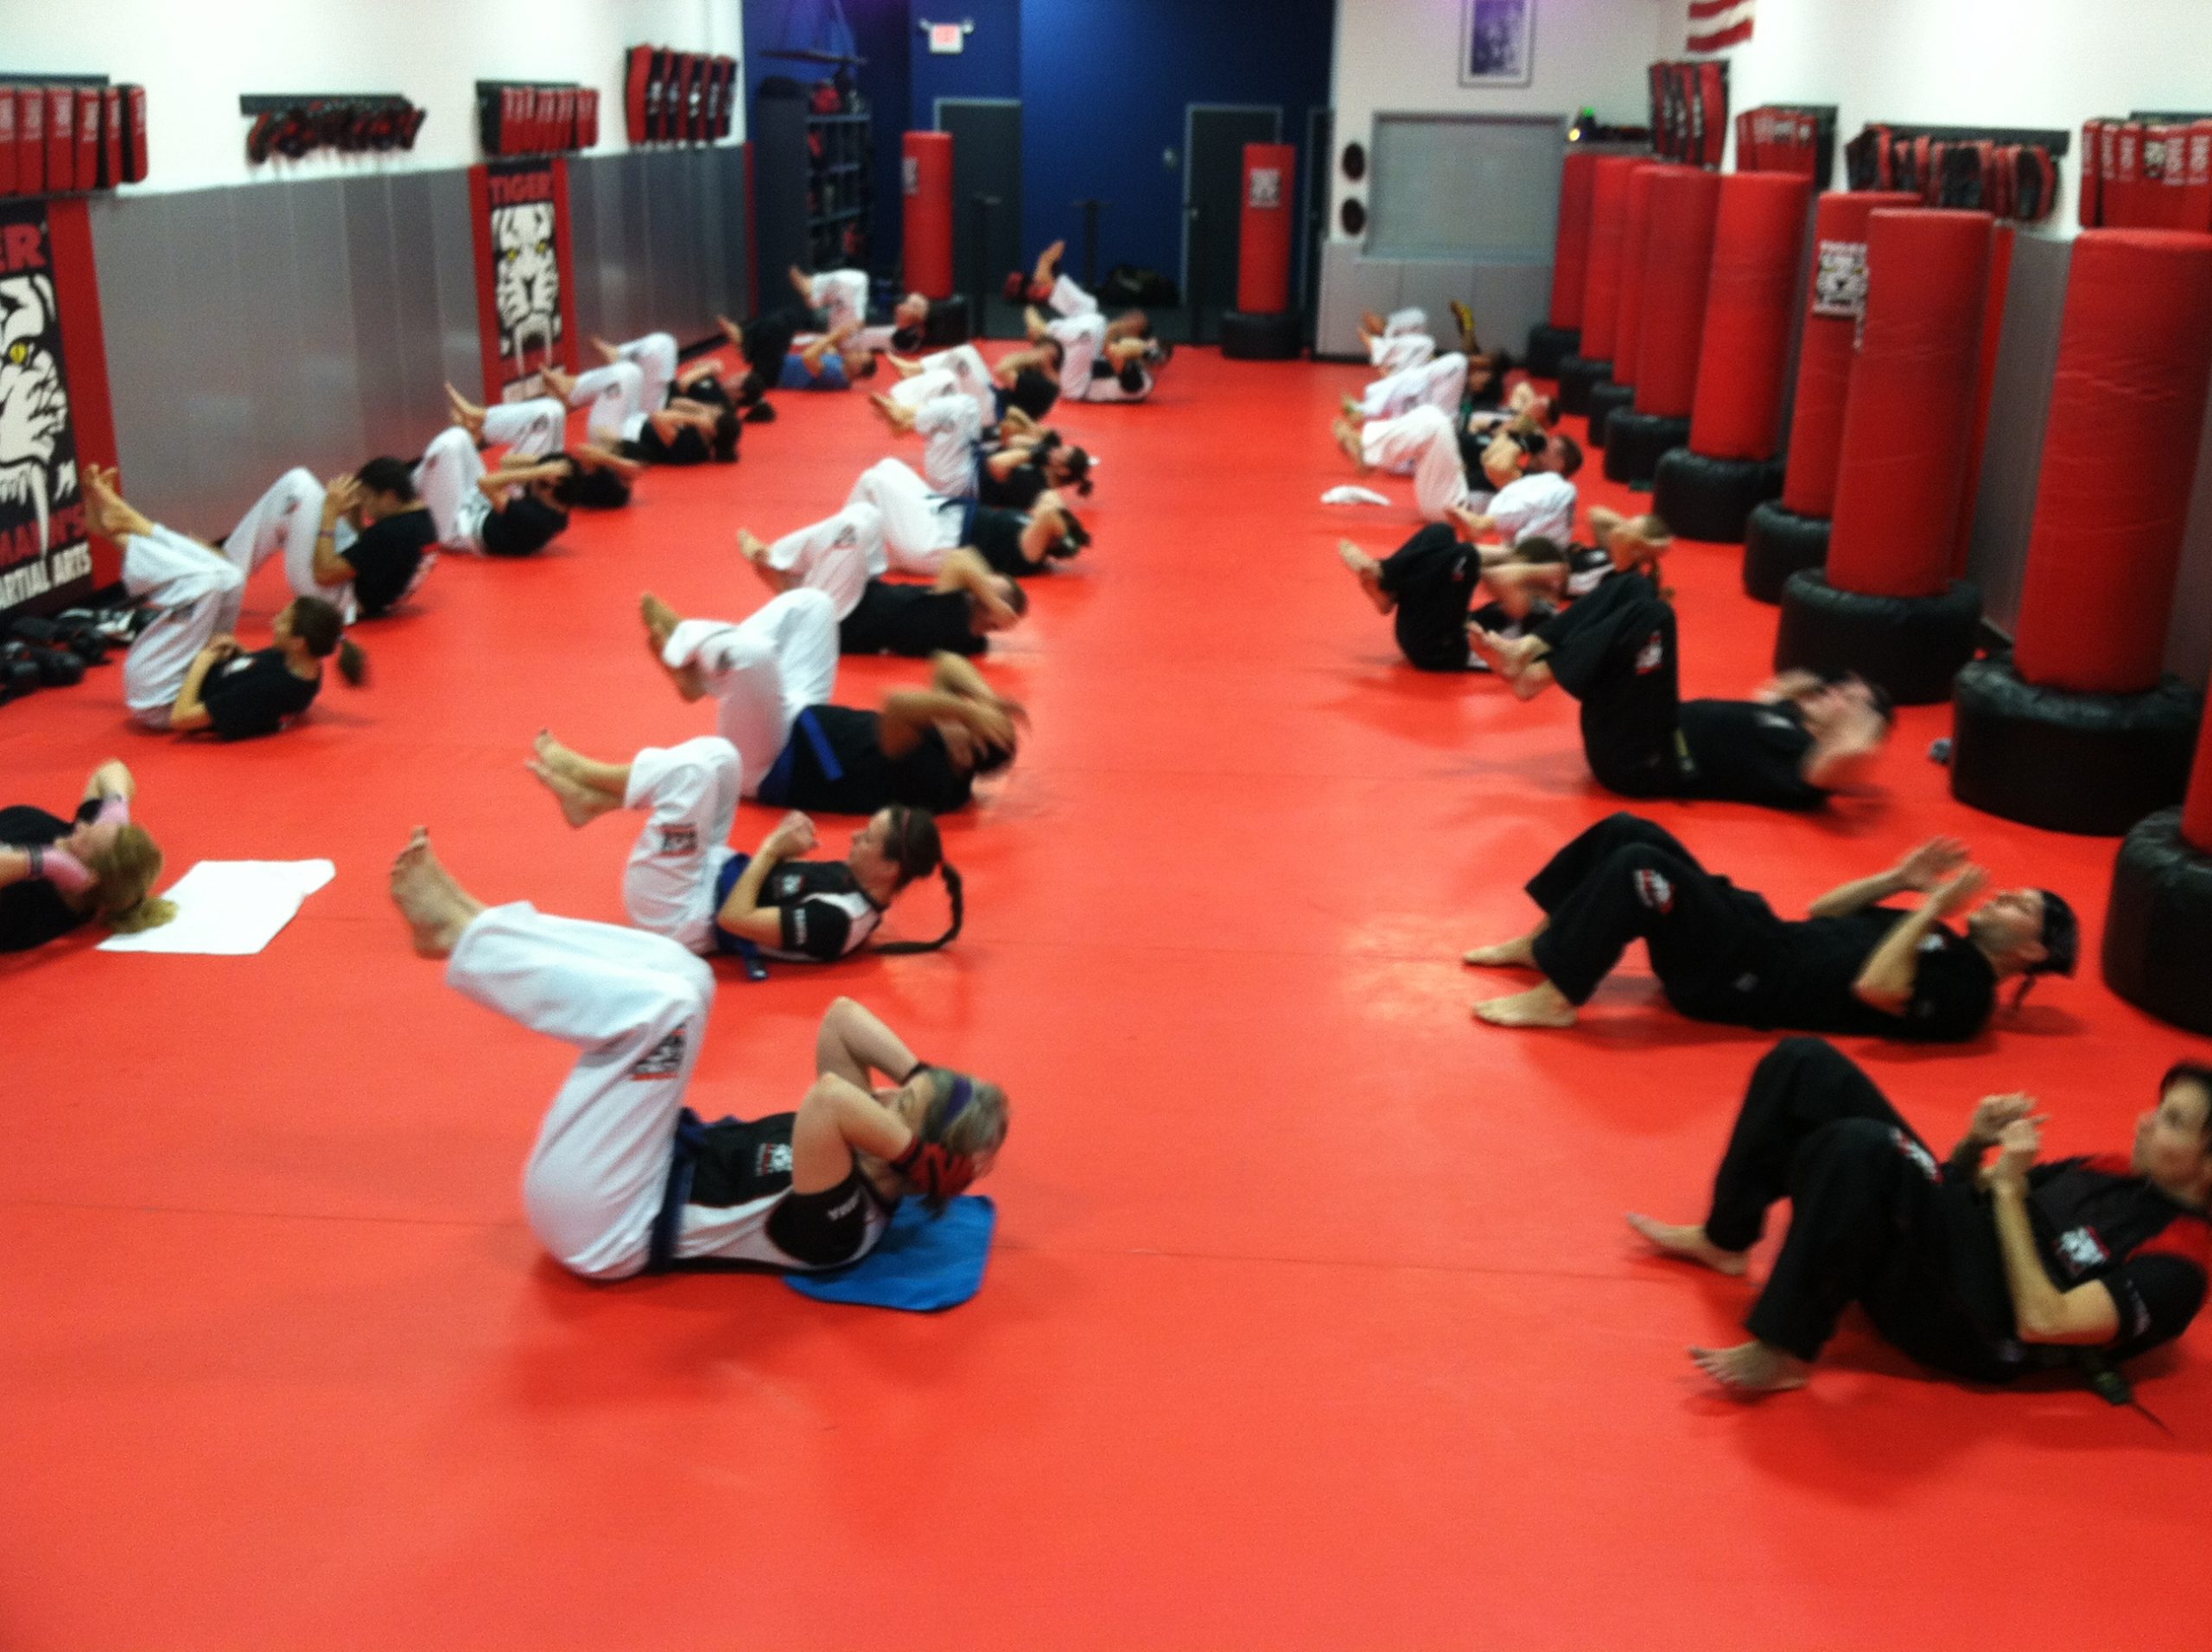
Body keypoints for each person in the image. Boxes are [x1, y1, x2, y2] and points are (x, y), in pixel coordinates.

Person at [388, 829, 1007, 1280]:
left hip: (605, 1221)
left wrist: (913, 1144)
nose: (887, 1093)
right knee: (688, 976)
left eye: (902, 1106)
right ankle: (476, 924)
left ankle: (466, 942)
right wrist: (923, 1080)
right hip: (633, 1166)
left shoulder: (847, 1224)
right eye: (900, 1087)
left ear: (913, 1154)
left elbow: (829, 1099)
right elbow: (842, 1018)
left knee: (668, 1014)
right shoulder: (860, 1150)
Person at [1628, 1037, 2211, 1395]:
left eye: (2173, 1122)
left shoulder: (2180, 1266)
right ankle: (1725, 1237)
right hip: (1958, 1244)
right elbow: (1974, 1188)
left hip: (1979, 1326)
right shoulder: (2110, 1168)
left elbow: (2045, 1322)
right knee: (1805, 1064)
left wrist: (2006, 1194)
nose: (2144, 1121)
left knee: (1863, 1146)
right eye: (2160, 1109)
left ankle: (1784, 1349)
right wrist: (1971, 1146)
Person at [1464, 813, 2077, 1038]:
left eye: (2020, 904)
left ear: (2029, 950)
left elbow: (1877, 990)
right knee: (1629, 831)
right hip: (1760, 936)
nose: (2002, 897)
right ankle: (1547, 947)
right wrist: (1899, 880)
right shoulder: (1942, 935)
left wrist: (1925, 914)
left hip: (1747, 980)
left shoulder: (1969, 996)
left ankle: (1560, 995)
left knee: (1640, 870)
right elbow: (1823, 914)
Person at [1471, 569, 1895, 810]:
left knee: (1655, 616)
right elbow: (1783, 685)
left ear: (1861, 722)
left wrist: (1871, 716)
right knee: (1635, 587)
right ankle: (1528, 648)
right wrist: (1837, 687)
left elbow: (1855, 752)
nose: (1834, 694)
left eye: (1848, 700)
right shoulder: (1786, 713)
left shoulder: (1810, 769)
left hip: (1642, 761)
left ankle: (1533, 677)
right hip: (1632, 726)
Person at [526, 731, 966, 961]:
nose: (853, 836)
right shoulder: (863, 883)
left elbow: (735, 920)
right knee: (722, 758)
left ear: (889, 869)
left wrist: (774, 848)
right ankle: (593, 802)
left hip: (674, 911)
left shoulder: (839, 923)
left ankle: (587, 776)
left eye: (867, 838)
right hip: (710, 872)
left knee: (694, 776)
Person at [643, 588, 1023, 816]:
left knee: (753, 656)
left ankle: (689, 649)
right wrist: (989, 701)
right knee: (815, 606)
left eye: (979, 725)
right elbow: (947, 663)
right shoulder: (952, 743)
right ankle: (700, 668)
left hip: (769, 761)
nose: (971, 712)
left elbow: (897, 704)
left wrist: (969, 710)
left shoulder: (935, 778)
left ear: (967, 756)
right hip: (800, 715)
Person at [85, 467, 363, 735]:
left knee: (203, 584)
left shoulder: (268, 690)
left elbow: (183, 719)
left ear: (299, 642)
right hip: (183, 671)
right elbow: (248, 672)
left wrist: (204, 661)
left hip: (160, 696)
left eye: (284, 621)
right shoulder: (299, 664)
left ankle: (127, 527)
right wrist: (237, 651)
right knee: (230, 576)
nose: (274, 620)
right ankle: (120, 527)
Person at [739, 515, 1025, 656]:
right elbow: (964, 562)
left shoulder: (966, 632)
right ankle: (785, 577)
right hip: (861, 591)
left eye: (990, 588)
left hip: (844, 621)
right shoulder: (962, 602)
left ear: (999, 614)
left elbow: (963, 559)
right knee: (869, 515)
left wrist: (997, 607)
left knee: (854, 529)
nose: (981, 583)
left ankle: (778, 562)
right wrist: (992, 597)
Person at [220, 461, 435, 621]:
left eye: (367, 498)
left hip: (333, 600)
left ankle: (227, 573)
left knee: (298, 484)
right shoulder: (422, 520)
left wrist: (330, 515)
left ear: (389, 496)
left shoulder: (393, 532)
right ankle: (233, 563)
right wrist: (355, 515)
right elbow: (374, 557)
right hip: (361, 593)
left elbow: (324, 574)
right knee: (304, 496)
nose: (366, 507)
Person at [1, 759, 175, 951]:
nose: (81, 826)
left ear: (83, 875)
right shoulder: (79, 843)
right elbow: (111, 770)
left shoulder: (29, 908)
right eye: (94, 824)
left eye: (85, 839)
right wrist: (116, 803)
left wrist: (34, 862)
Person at [1338, 401, 1583, 526]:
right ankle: (1370, 456)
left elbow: (1496, 466)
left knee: (1438, 426)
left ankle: (1368, 454)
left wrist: (1520, 439)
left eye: (1551, 449)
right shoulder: (1527, 468)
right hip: (1449, 494)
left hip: (1453, 506)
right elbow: (1494, 455)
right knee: (1432, 413)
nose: (1544, 449)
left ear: (1560, 464)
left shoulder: (1536, 485)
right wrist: (1519, 428)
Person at [846, 456, 1086, 578]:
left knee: (872, 481)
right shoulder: (1029, 525)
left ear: (1055, 536)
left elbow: (1051, 507)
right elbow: (1048, 501)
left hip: (934, 543)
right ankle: (857, 546)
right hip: (942, 514)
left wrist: (1070, 536)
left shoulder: (1031, 553)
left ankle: (839, 548)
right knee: (889, 465)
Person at [412, 427, 574, 558]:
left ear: (551, 489)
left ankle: (407, 489)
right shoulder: (557, 505)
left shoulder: (534, 519)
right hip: (476, 507)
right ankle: (411, 485)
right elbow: (506, 463)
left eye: (542, 482)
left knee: (446, 446)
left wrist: (537, 472)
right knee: (460, 436)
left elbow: (485, 483)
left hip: (456, 530)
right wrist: (544, 465)